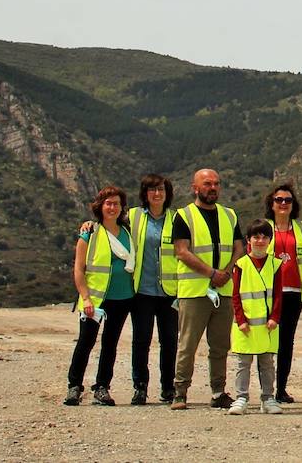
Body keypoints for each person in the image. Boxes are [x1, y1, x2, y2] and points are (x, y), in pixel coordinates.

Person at [170, 168, 243, 410]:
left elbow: (238, 248)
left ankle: (218, 391)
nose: (213, 188)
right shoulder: (184, 216)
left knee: (220, 345)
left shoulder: (229, 215)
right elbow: (182, 251)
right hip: (194, 292)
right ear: (195, 187)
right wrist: (211, 273)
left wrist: (228, 271)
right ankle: (180, 392)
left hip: (223, 291)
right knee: (188, 344)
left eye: (216, 184)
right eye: (207, 184)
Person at [65, 185, 135, 407]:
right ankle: (74, 386)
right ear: (100, 206)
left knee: (110, 344)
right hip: (95, 299)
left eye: (116, 203)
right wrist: (85, 298)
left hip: (122, 297)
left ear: (122, 207)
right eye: (108, 203)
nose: (112, 207)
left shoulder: (127, 233)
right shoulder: (90, 233)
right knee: (85, 342)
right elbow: (79, 269)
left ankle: (102, 386)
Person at [127, 174, 177, 406]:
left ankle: (168, 387)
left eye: (161, 190)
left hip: (169, 291)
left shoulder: (176, 219)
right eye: (152, 190)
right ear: (144, 194)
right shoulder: (134, 216)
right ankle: (140, 387)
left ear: (167, 194)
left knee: (169, 341)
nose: (157, 194)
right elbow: (108, 226)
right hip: (142, 290)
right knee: (141, 340)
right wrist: (89, 225)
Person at [228, 220, 284, 415]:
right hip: (246, 325)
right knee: (243, 363)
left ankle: (268, 398)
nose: (260, 241)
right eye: (256, 237)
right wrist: (241, 319)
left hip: (267, 325)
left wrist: (275, 317)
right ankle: (241, 397)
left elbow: (278, 294)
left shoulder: (275, 264)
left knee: (267, 363)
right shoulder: (241, 264)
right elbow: (235, 295)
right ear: (248, 240)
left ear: (270, 240)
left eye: (264, 237)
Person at [263, 182, 302, 405]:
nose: (283, 204)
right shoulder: (263, 228)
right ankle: (266, 389)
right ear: (271, 204)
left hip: (293, 293)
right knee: (266, 342)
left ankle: (281, 389)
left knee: (286, 343)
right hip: (269, 293)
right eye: (279, 200)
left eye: (288, 200)